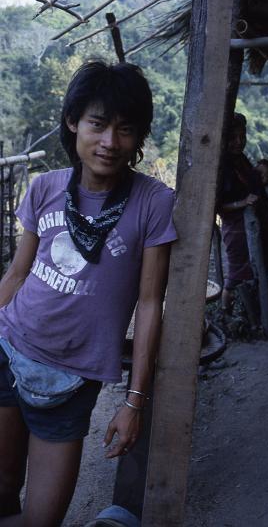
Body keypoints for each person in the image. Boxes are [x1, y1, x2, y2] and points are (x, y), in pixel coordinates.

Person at [0, 60, 177, 526]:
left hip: (73, 379)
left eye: (125, 129)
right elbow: (17, 275)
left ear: (137, 138)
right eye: (98, 124)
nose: (109, 142)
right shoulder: (45, 188)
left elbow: (149, 303)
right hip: (9, 349)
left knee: (42, 519)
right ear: (73, 121)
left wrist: (133, 401)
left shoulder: (153, 203)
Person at [217, 113, 268, 312]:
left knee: (252, 268)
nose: (239, 142)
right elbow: (219, 206)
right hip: (236, 230)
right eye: (233, 138)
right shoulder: (222, 167)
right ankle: (225, 311)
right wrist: (243, 202)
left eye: (242, 137)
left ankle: (248, 311)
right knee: (236, 272)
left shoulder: (242, 161)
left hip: (252, 225)